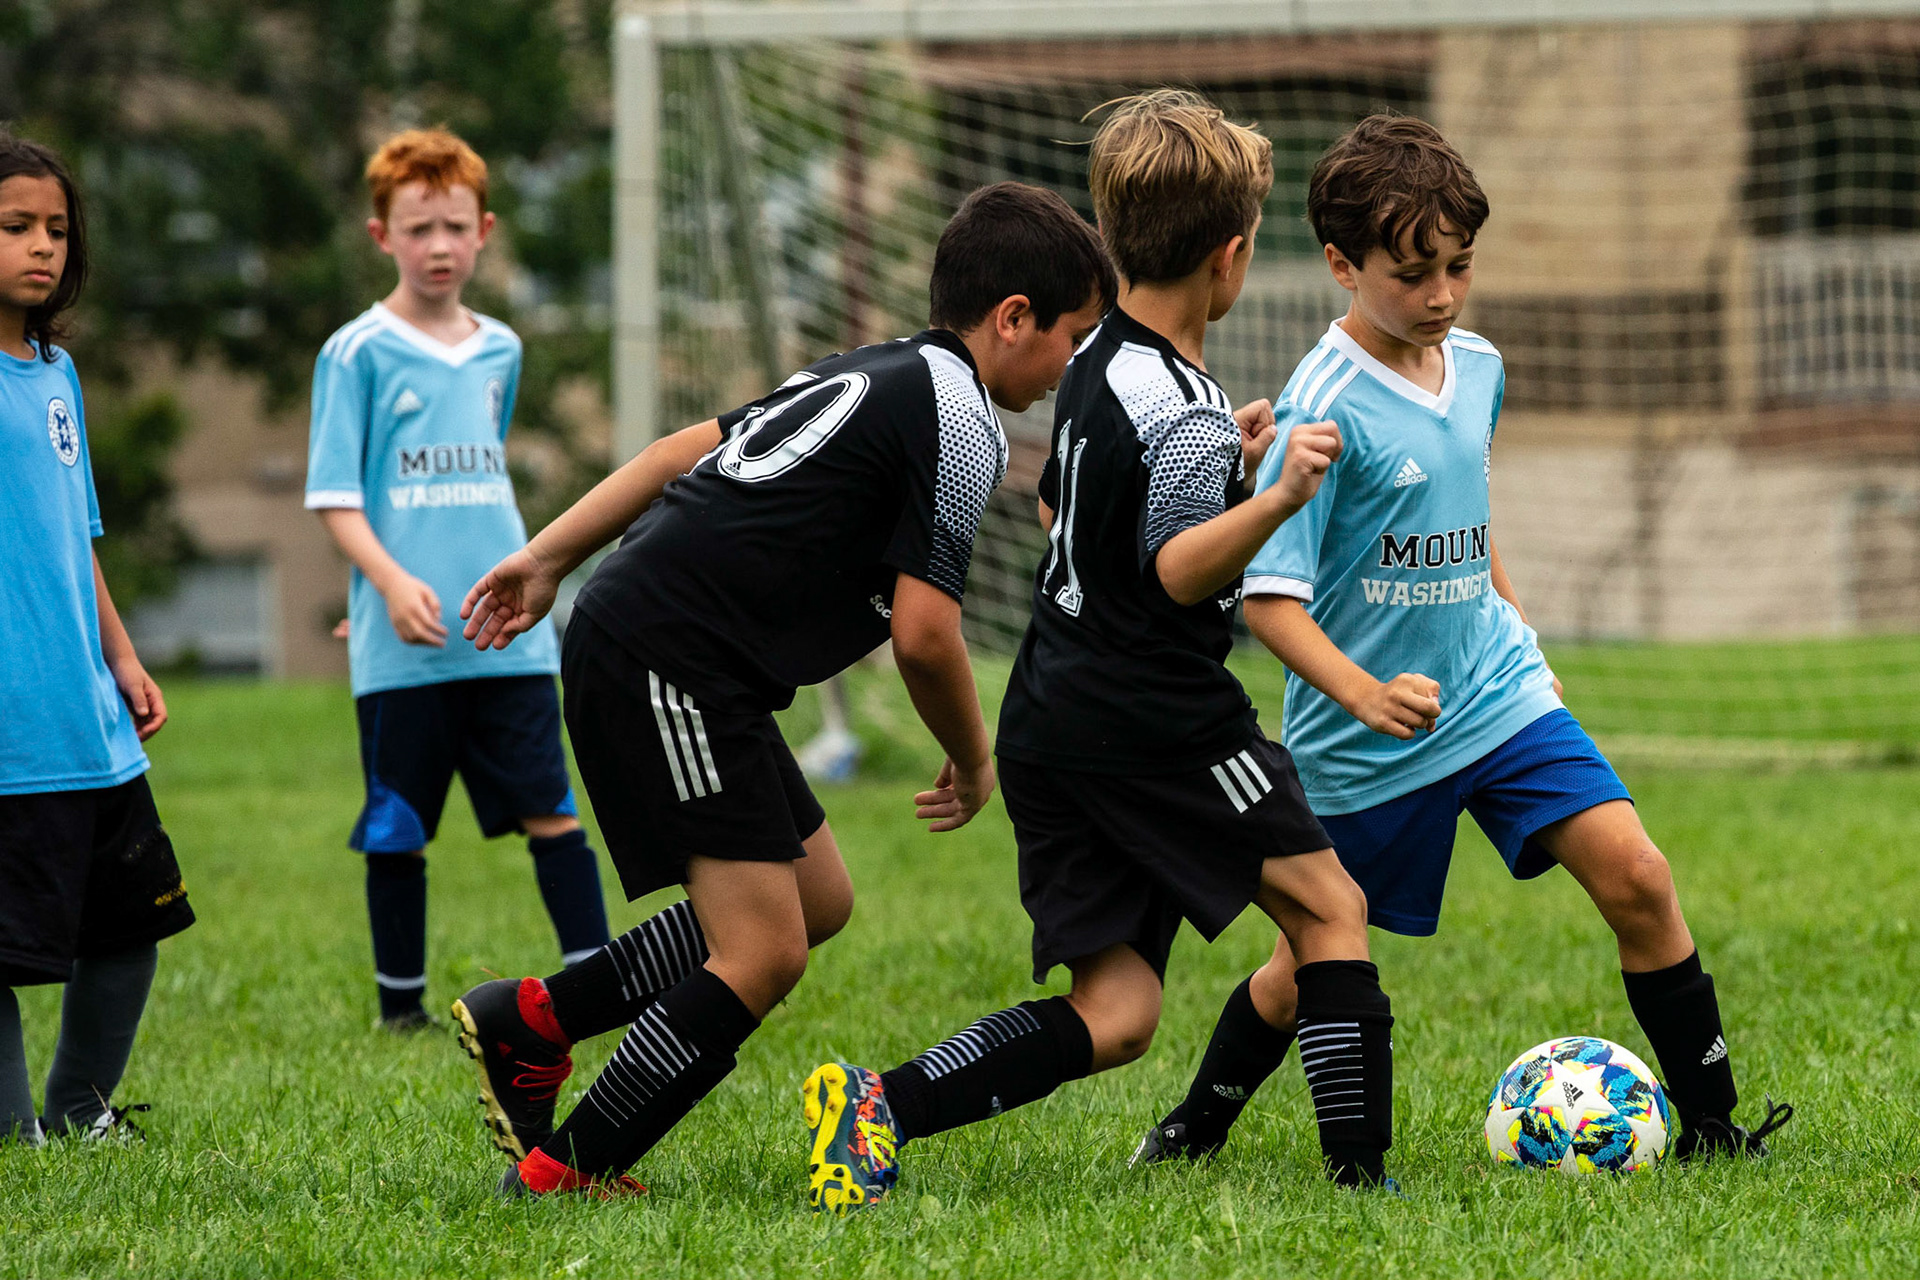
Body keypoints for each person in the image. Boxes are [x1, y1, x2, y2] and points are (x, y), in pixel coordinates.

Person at [1142, 113, 1791, 1165]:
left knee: (1639, 874)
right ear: (1343, 265)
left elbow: (1467, 504)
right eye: (1413, 273)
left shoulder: (1477, 364)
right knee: (1307, 955)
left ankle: (1718, 1129)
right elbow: (1267, 601)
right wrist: (1362, 693)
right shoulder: (1324, 405)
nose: (1441, 294)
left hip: (1494, 692)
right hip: (1369, 735)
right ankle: (1196, 1122)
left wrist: (1512, 612)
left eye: (1459, 266)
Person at [448, 180, 1117, 1197]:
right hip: (671, 656)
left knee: (818, 897)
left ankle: (533, 1019)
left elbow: (683, 450)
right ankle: (568, 1167)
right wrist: (977, 757)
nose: (1072, 366)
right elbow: (927, 635)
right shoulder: (965, 421)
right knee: (761, 951)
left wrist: (548, 556)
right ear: (1013, 318)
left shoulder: (881, 370)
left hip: (680, 651)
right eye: (1073, 337)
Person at [803, 90, 1396, 1215]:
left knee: (1118, 1011)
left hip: (1054, 713)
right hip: (1156, 717)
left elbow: (1083, 514)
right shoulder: (1183, 406)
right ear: (1231, 256)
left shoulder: (1093, 359)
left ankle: (877, 1104)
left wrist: (1233, 460)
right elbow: (1177, 569)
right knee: (1330, 911)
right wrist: (1274, 494)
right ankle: (1364, 1186)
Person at [303, 128, 611, 1030]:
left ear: (484, 231)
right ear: (381, 237)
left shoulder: (501, 349)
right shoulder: (354, 352)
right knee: (398, 826)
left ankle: (593, 988)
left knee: (552, 810)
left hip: (511, 635)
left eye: (454, 227)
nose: (437, 246)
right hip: (406, 647)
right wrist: (388, 589)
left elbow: (480, 483)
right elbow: (337, 499)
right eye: (416, 229)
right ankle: (400, 1012)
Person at [0, 131, 195, 1144]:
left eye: (56, 228)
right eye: (16, 224)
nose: (42, 245)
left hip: (87, 717)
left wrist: (120, 655)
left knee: (132, 927)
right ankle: (11, 1131)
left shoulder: (57, 374)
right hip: (10, 730)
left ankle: (77, 1106)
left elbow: (77, 535)